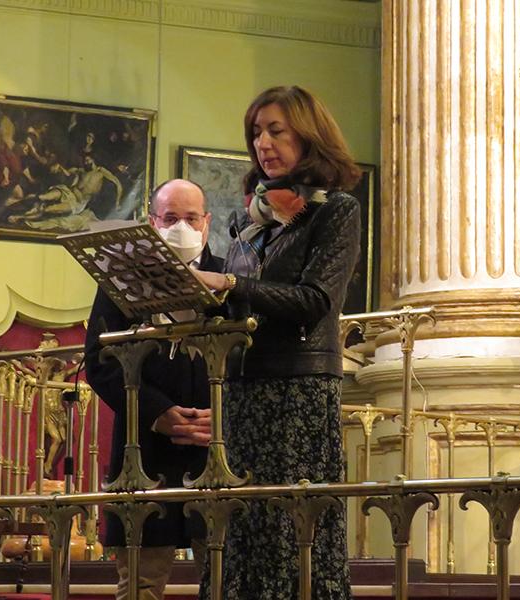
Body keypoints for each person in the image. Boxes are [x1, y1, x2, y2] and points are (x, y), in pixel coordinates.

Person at [192, 85, 361, 600]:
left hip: (297, 391)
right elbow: (242, 303)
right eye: (255, 133)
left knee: (292, 534)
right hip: (243, 390)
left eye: (275, 130)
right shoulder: (249, 220)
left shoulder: (336, 211)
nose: (262, 142)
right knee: (242, 531)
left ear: (308, 135)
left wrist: (231, 284)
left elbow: (314, 301)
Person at [85, 179, 220, 600]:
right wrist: (158, 413)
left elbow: (251, 360)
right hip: (143, 450)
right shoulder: (120, 281)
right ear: (151, 222)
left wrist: (225, 413)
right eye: (170, 218)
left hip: (215, 451)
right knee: (140, 586)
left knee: (225, 581)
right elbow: (100, 364)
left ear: (207, 223)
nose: (181, 226)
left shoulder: (234, 278)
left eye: (190, 218)